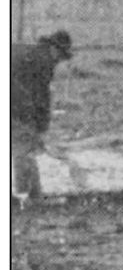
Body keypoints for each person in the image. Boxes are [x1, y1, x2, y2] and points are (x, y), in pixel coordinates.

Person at [10, 29, 72, 206]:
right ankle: (25, 197)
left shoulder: (33, 53)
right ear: (54, 48)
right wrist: (41, 127)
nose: (59, 61)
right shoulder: (43, 61)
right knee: (23, 147)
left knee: (26, 144)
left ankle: (34, 195)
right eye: (60, 55)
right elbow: (41, 97)